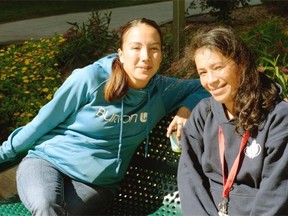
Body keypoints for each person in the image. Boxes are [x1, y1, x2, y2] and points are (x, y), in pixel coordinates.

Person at [0, 18, 209, 215]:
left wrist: (186, 109)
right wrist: (4, 155)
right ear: (121, 53)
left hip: (96, 184)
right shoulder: (91, 79)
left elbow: (207, 86)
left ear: (161, 54)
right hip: (47, 162)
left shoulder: (163, 91)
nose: (145, 56)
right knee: (46, 205)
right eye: (136, 48)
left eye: (154, 49)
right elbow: (42, 123)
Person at [177, 26, 288, 215]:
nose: (210, 80)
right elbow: (189, 177)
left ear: (241, 63)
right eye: (203, 72)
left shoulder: (278, 117)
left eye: (218, 68)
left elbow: (277, 192)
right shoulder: (204, 113)